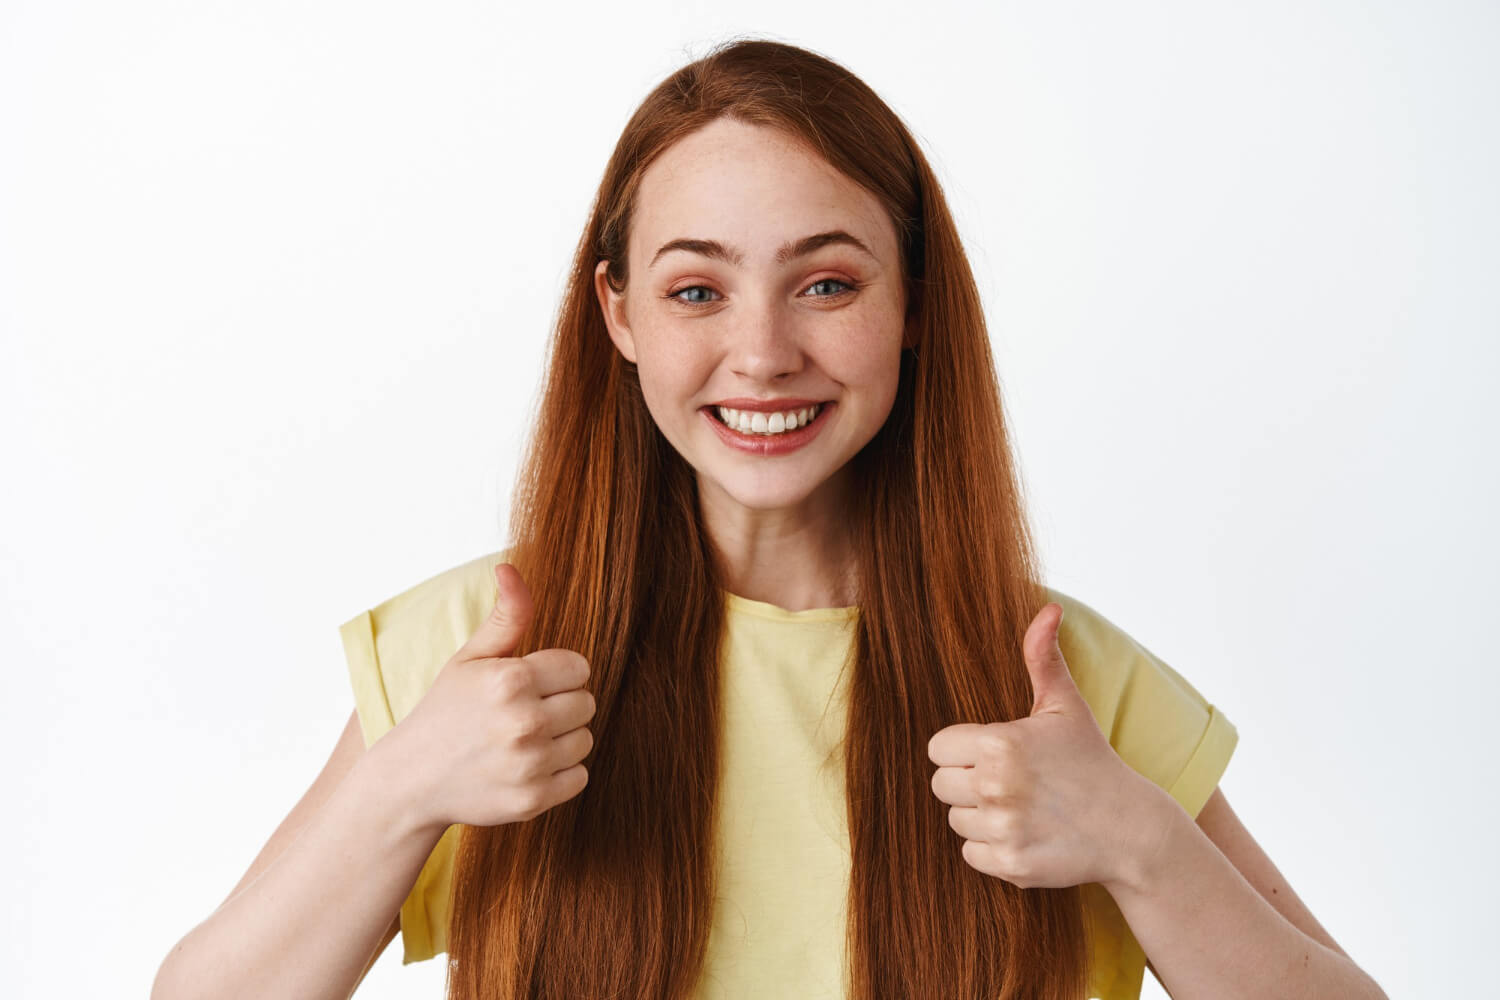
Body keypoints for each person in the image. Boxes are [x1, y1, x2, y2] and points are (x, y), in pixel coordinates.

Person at [152, 37, 1387, 1000]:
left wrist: (1142, 842)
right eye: (697, 288)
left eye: (828, 283)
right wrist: (400, 791)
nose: (761, 353)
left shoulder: (1054, 684)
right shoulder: (476, 656)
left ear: (913, 307)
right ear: (621, 317)